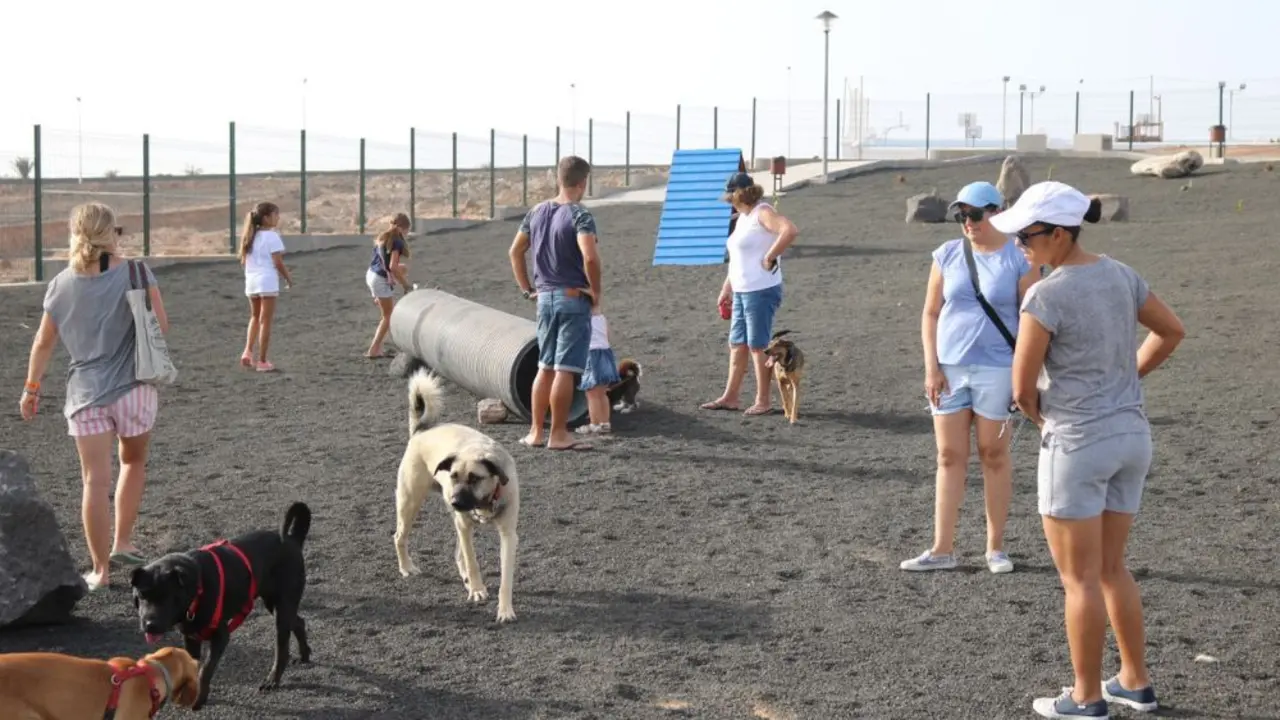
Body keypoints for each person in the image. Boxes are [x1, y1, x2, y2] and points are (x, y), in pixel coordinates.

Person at [994, 181, 1185, 718]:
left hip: (1078, 442)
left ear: (1058, 233)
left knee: (1078, 580)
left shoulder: (1045, 295)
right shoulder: (1121, 274)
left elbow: (1021, 389)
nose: (1019, 245)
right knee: (1111, 568)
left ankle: (1085, 697)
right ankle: (1135, 681)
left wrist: (1043, 418)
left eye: (1026, 236)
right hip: (1131, 436)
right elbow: (1171, 331)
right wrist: (1127, 378)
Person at [18, 202, 170, 592]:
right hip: (134, 387)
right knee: (132, 461)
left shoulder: (60, 284)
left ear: (75, 233)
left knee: (94, 482)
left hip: (85, 394)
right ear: (111, 232)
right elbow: (161, 326)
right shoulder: (136, 272)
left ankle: (100, 571)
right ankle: (123, 541)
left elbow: (43, 342)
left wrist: (31, 388)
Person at [901, 181, 1037, 575]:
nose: (968, 222)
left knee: (993, 454)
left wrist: (1024, 375)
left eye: (975, 214)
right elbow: (930, 313)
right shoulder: (947, 253)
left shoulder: (1020, 257)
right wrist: (931, 367)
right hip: (950, 370)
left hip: (999, 369)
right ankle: (942, 549)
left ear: (997, 212)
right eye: (962, 215)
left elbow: (1032, 317)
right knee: (948, 456)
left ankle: (995, 549)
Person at [509, 155, 600, 451]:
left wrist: (527, 289)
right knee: (565, 368)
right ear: (583, 182)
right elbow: (589, 257)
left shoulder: (536, 212)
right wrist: (595, 292)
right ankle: (558, 434)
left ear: (558, 179)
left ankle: (536, 432)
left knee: (544, 366)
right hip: (572, 297)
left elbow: (515, 251)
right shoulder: (580, 214)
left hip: (544, 298)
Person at [700, 172, 798, 416]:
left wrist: (770, 256)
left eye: (730, 195)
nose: (728, 200)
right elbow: (738, 259)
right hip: (742, 290)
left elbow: (790, 230)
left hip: (761, 290)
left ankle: (763, 401)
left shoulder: (762, 213)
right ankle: (730, 397)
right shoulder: (743, 218)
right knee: (737, 344)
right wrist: (727, 287)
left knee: (758, 346)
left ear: (738, 194)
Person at [238, 201, 293, 372]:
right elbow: (278, 262)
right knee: (265, 321)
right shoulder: (272, 236)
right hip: (267, 281)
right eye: (276, 215)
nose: (278, 218)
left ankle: (248, 351)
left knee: (254, 317)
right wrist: (288, 277)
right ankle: (262, 361)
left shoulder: (250, 236)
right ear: (267, 217)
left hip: (251, 281)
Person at [365, 213, 412, 359]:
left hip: (371, 275)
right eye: (407, 230)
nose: (407, 234)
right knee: (388, 315)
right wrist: (406, 285)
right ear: (402, 228)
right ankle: (374, 349)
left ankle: (378, 296)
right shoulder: (397, 241)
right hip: (379, 279)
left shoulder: (383, 237)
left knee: (403, 268)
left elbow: (384, 264)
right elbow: (392, 267)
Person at [574, 307, 621, 435]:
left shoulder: (582, 319)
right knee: (602, 393)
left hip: (592, 355)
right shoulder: (601, 317)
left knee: (591, 394)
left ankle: (594, 424)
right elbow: (608, 336)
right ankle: (605, 423)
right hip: (605, 354)